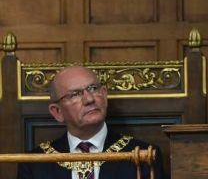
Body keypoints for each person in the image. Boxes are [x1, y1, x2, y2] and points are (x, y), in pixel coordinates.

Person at [17, 66, 165, 179]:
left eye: (93, 89)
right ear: (58, 112)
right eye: (75, 94)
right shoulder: (35, 163)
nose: (89, 99)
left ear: (105, 96)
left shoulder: (144, 156)